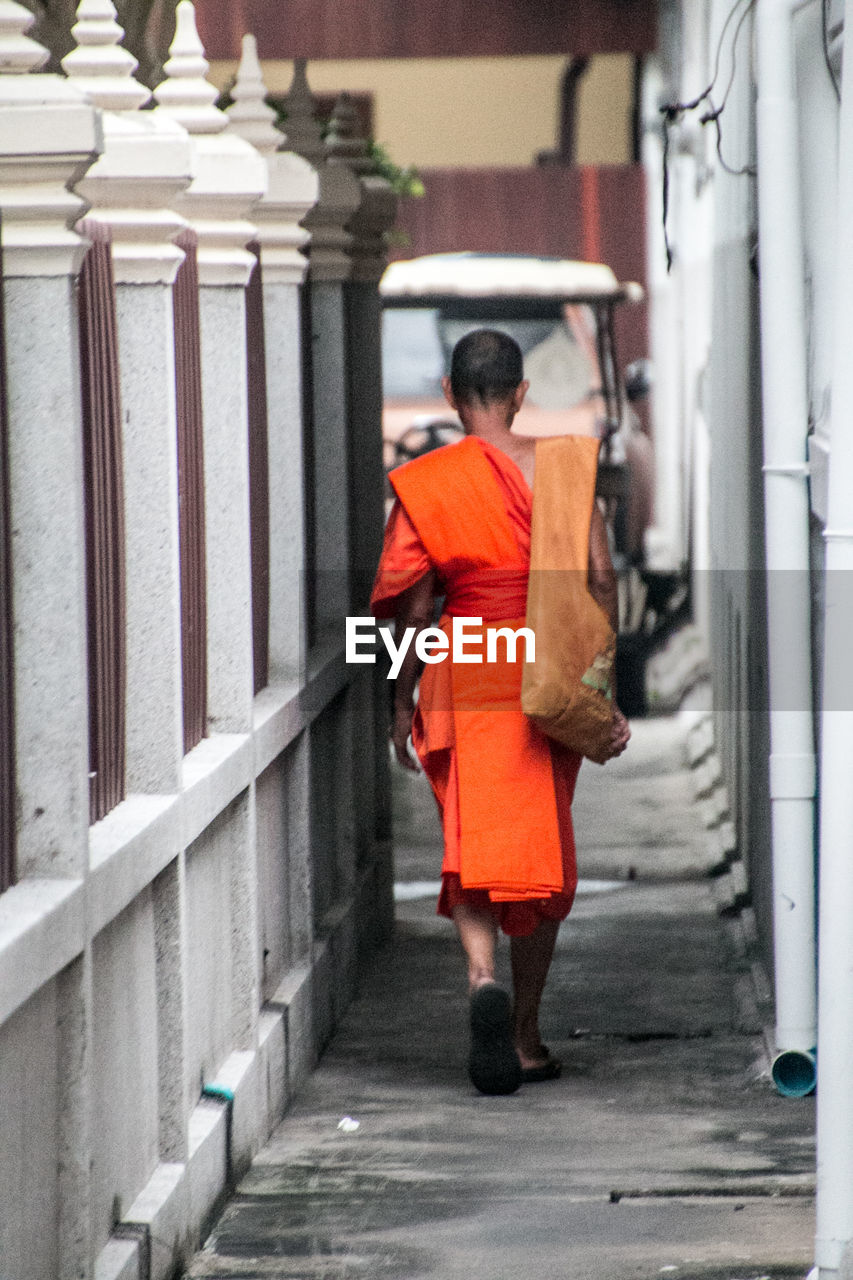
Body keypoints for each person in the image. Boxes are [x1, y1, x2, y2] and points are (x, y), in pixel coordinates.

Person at [371, 329, 630, 1096]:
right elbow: (601, 581)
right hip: (544, 674)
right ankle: (522, 1035)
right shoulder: (564, 467)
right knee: (538, 850)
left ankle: (481, 975)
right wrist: (597, 691)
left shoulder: (426, 481)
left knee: (471, 842)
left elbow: (415, 611)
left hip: (463, 673)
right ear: (521, 394)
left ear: (450, 395)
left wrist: (399, 695)